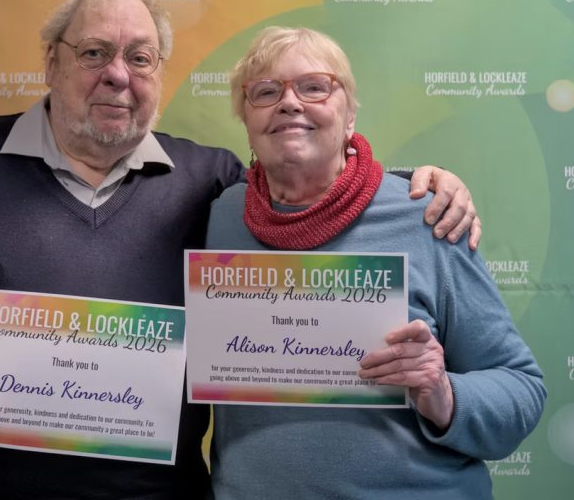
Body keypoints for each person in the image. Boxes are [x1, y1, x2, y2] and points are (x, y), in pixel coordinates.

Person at [0, 0, 480, 500]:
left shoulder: (213, 183)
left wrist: (412, 185)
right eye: (95, 53)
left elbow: (305, 186)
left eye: (141, 57)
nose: (118, 75)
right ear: (52, 62)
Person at [205, 26, 546, 499]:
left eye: (314, 87)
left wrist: (443, 394)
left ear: (349, 116)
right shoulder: (221, 218)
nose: (289, 103)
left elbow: (521, 388)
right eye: (265, 92)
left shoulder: (427, 215)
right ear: (246, 120)